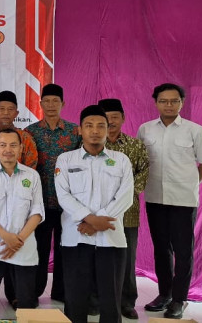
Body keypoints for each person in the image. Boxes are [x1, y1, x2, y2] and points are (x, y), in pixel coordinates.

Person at [138, 83, 202, 319]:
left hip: (183, 200)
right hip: (154, 197)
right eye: (163, 101)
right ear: (156, 103)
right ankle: (164, 294)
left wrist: (191, 183)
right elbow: (140, 160)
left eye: (174, 101)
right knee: (161, 249)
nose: (169, 105)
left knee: (183, 251)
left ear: (182, 103)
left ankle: (180, 299)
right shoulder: (145, 129)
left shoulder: (195, 130)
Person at [55, 105, 133, 323]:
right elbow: (63, 195)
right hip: (76, 237)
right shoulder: (66, 160)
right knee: (75, 298)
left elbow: (126, 197)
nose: (95, 131)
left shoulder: (121, 160)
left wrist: (96, 222)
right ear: (80, 130)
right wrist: (90, 219)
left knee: (111, 300)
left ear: (108, 130)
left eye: (101, 126)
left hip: (111, 238)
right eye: (89, 126)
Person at [0, 128, 44, 319]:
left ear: (21, 148)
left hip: (23, 247)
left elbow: (37, 212)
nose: (8, 150)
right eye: (3, 145)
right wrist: (6, 237)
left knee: (26, 304)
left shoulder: (31, 176)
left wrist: (18, 240)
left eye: (13, 145)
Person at [89, 98, 149, 320]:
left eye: (115, 116)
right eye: (106, 118)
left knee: (126, 260)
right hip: (96, 213)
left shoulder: (135, 146)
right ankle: (94, 300)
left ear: (123, 118)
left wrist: (124, 195)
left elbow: (143, 172)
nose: (111, 121)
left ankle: (126, 302)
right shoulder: (92, 144)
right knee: (96, 257)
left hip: (127, 213)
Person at [24, 83, 82, 303]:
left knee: (65, 247)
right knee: (37, 248)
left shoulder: (74, 131)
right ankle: (34, 291)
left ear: (63, 104)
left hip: (67, 202)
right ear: (40, 104)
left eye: (55, 101)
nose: (50, 105)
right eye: (46, 101)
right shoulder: (30, 132)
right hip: (39, 202)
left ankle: (61, 291)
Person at [0, 90, 40, 308]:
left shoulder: (25, 138)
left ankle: (15, 295)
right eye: (2, 109)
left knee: (17, 253)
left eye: (10, 109)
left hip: (20, 202)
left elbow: (31, 165)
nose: (6, 113)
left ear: (17, 113)